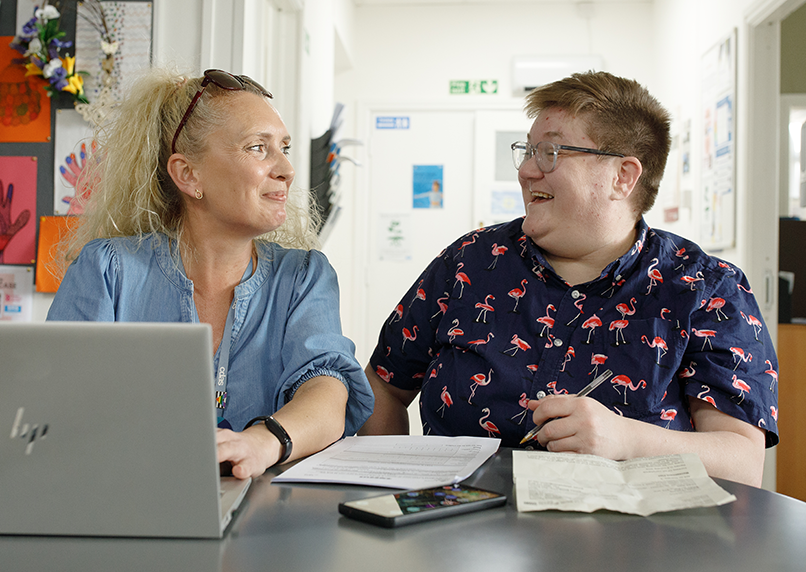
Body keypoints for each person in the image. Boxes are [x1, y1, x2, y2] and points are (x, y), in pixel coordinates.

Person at [361, 71, 778, 487]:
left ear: (623, 177)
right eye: (526, 151)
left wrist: (627, 438)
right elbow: (383, 386)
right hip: (458, 535)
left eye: (550, 152)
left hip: (629, 543)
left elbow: (742, 461)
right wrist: (400, 489)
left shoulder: (706, 288)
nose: (526, 170)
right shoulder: (470, 262)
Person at [47, 67, 373, 479]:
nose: (286, 170)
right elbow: (58, 405)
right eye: (257, 147)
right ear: (188, 174)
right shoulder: (108, 269)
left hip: (266, 515)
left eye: (284, 148)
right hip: (125, 499)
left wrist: (262, 441)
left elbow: (327, 390)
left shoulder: (303, 276)